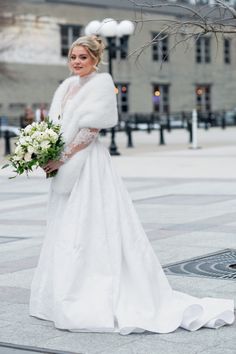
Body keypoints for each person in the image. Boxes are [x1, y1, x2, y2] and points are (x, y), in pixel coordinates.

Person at [29, 35, 234, 335]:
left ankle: (96, 292)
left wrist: (62, 158)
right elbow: (57, 127)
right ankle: (61, 291)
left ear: (95, 59)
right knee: (65, 225)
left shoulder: (100, 85)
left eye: (83, 57)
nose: (76, 62)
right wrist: (42, 150)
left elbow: (90, 129)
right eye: (73, 56)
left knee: (91, 223)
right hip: (66, 167)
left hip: (87, 165)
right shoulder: (69, 86)